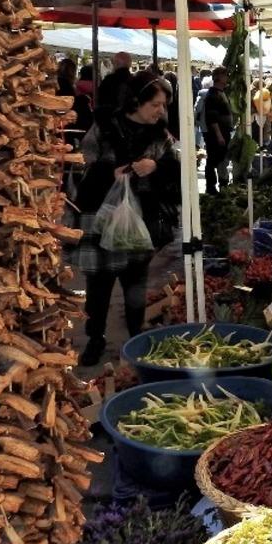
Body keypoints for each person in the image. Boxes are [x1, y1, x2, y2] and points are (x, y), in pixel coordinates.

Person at [72, 71, 180, 365]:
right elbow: (81, 166)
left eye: (163, 105)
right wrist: (110, 174)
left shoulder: (160, 136)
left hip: (140, 222)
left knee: (135, 284)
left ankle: (136, 338)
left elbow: (176, 171)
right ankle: (95, 339)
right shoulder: (104, 128)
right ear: (136, 102)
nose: (161, 110)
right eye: (155, 104)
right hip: (102, 218)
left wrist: (155, 167)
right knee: (99, 286)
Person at [202, 67, 234, 195]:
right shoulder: (213, 95)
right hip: (216, 135)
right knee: (213, 160)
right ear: (218, 77)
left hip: (223, 133)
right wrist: (219, 135)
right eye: (225, 75)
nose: (227, 77)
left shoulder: (221, 92)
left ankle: (222, 185)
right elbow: (212, 118)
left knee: (220, 159)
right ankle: (211, 187)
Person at [95, 52, 133, 125]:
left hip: (110, 122)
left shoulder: (108, 80)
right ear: (130, 64)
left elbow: (100, 101)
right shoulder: (135, 80)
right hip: (130, 121)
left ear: (116, 64)